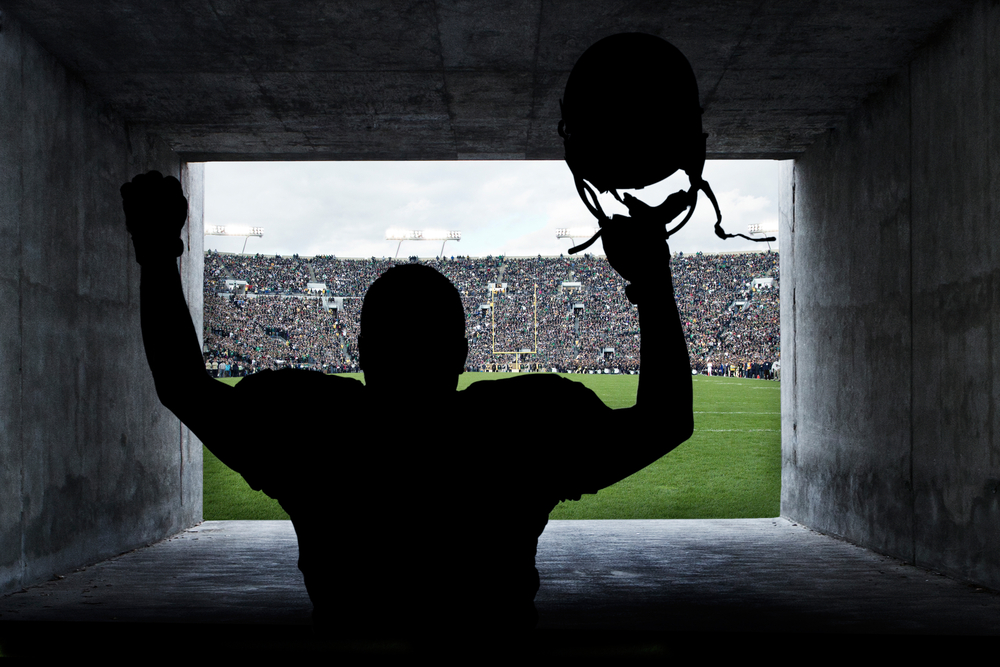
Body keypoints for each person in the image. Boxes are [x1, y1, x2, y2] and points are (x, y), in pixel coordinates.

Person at [121, 170, 693, 645]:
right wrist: (651, 277)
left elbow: (182, 385)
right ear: (464, 353)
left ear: (363, 351)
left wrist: (156, 248)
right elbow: (665, 421)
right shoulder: (519, 426)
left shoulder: (317, 428)